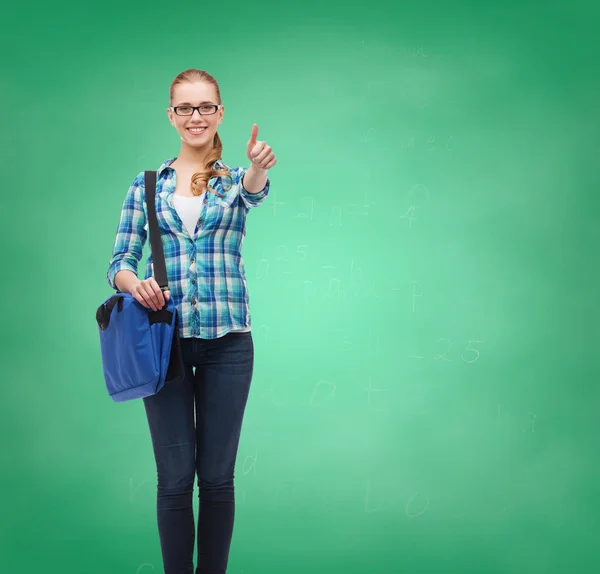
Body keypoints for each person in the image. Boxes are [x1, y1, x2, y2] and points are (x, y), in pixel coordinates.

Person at [106, 68, 276, 574]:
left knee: (218, 477)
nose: (195, 117)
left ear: (219, 113)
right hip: (167, 346)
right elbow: (119, 260)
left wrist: (257, 167)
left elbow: (253, 191)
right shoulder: (147, 184)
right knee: (175, 478)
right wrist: (134, 285)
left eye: (205, 107)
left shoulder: (230, 179)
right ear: (171, 115)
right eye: (185, 108)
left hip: (229, 342)